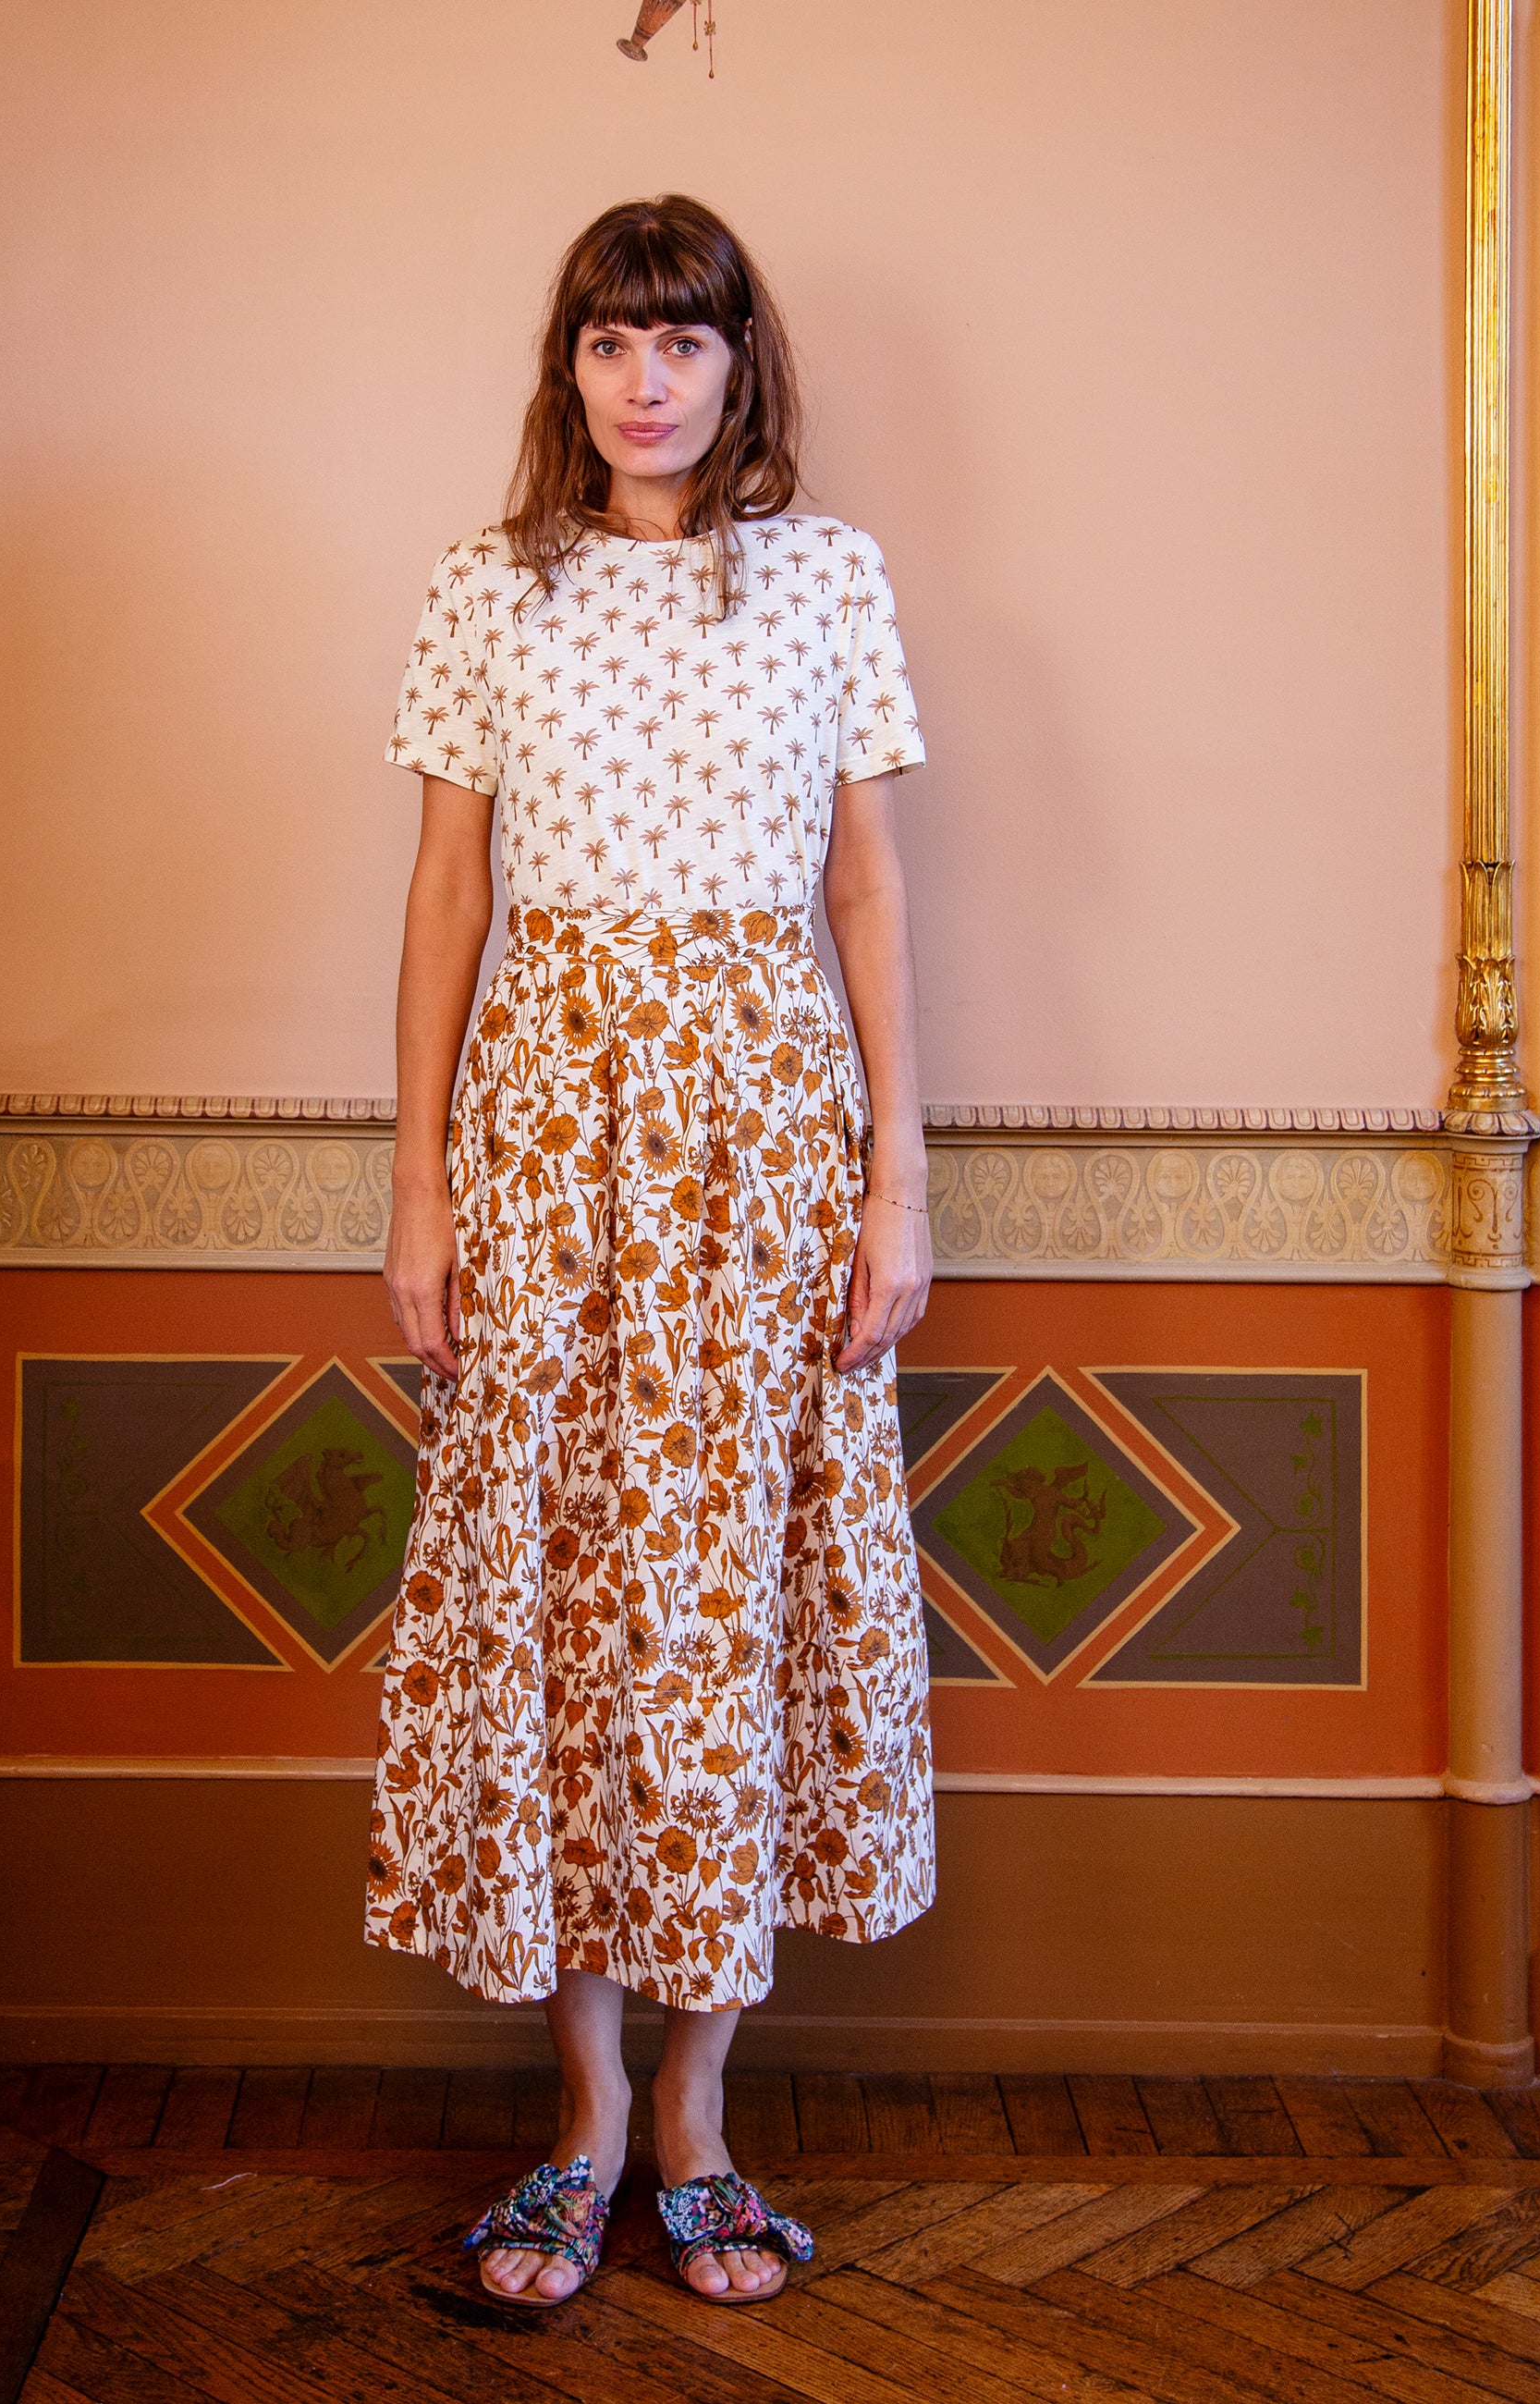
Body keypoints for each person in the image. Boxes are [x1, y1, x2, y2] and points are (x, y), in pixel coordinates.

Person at [370, 192, 935, 2309]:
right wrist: (420, 1181)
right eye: (611, 340)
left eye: (681, 343)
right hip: (546, 1138)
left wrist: (895, 1181)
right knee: (566, 1584)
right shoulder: (485, 589)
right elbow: (443, 907)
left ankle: (699, 2115)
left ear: (737, 368)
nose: (646, 379)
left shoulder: (826, 582)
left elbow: (866, 899)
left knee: (740, 1591)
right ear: (569, 369)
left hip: (766, 1145)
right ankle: (584, 2116)